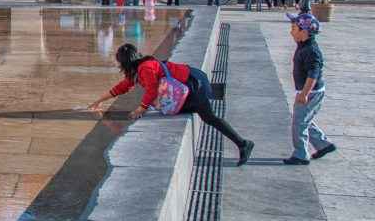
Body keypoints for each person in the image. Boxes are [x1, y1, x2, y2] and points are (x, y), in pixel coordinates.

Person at [87, 43, 254, 165]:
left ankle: (243, 144)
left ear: (125, 62)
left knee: (209, 117)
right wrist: (98, 101)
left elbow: (151, 90)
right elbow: (122, 87)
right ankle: (243, 143)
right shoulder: (138, 68)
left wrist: (140, 108)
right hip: (187, 84)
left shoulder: (145, 68)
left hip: (194, 85)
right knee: (184, 111)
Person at [284, 11, 336, 165]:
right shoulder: (304, 46)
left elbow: (313, 74)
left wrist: (305, 93)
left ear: (304, 32)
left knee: (299, 122)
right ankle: (323, 145)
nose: (291, 31)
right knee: (302, 119)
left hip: (310, 92)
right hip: (308, 91)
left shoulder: (311, 51)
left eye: (294, 28)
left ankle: (300, 154)